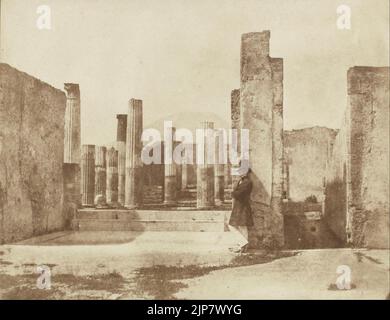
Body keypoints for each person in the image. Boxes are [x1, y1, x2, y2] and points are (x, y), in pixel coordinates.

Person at [228, 160, 253, 253]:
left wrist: (232, 193)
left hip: (242, 207)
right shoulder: (241, 181)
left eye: (242, 169)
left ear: (246, 171)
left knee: (233, 226)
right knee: (242, 227)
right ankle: (243, 245)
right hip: (240, 206)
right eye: (240, 169)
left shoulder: (247, 182)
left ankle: (243, 244)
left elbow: (238, 194)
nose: (240, 171)